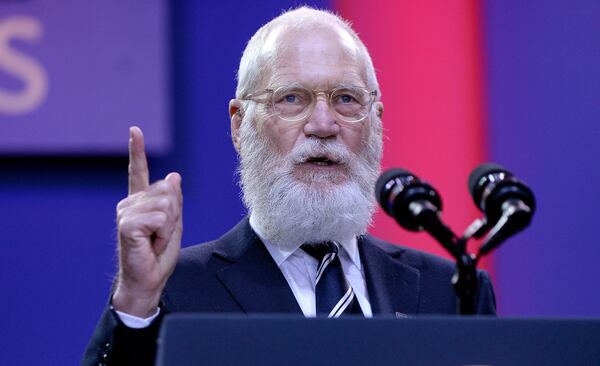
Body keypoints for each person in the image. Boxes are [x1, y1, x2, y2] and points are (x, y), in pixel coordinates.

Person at [83, 6, 495, 366]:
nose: (323, 125)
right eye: (292, 99)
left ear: (377, 121)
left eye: (346, 99)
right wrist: (136, 303)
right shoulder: (177, 290)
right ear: (240, 125)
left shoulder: (450, 292)